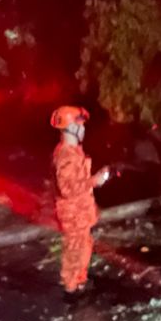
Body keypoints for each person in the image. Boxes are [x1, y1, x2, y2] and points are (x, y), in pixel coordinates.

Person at [51, 106, 110, 293]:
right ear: (69, 128)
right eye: (80, 125)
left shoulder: (74, 151)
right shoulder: (66, 157)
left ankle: (79, 280)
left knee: (84, 246)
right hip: (73, 213)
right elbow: (67, 189)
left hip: (80, 211)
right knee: (74, 249)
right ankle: (71, 288)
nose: (83, 129)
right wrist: (95, 181)